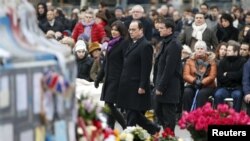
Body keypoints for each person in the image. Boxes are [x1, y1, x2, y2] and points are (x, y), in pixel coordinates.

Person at [117, 20, 160, 135]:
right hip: (128, 84)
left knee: (132, 113)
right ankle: (153, 129)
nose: (130, 32)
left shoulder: (145, 45)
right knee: (133, 113)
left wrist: (142, 85)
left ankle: (128, 135)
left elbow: (146, 68)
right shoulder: (133, 43)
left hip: (136, 85)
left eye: (133, 29)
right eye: (130, 29)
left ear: (141, 30)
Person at [94, 21, 128, 129]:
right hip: (108, 78)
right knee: (108, 105)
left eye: (116, 30)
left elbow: (126, 63)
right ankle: (110, 129)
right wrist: (98, 78)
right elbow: (106, 63)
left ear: (121, 31)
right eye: (112, 29)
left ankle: (125, 125)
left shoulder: (124, 43)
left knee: (108, 105)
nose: (113, 32)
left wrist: (124, 79)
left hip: (117, 79)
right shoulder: (111, 43)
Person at [153, 18, 182, 131]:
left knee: (168, 116)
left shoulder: (174, 44)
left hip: (169, 87)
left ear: (169, 30)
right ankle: (166, 135)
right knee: (158, 111)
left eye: (162, 28)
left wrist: (161, 87)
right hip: (161, 84)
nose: (159, 30)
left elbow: (169, 69)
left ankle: (169, 137)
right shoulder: (165, 42)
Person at [183, 40, 217, 111]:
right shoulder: (189, 60)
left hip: (207, 85)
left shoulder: (211, 61)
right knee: (187, 92)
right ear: (195, 50)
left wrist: (202, 82)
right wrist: (195, 81)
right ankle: (187, 115)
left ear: (205, 50)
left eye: (202, 49)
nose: (199, 50)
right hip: (193, 84)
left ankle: (199, 115)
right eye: (198, 49)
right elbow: (186, 75)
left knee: (201, 94)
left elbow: (212, 76)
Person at [214, 41, 246, 112]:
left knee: (237, 95)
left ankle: (235, 118)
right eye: (227, 50)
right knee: (218, 95)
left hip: (237, 88)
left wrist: (227, 74)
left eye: (229, 50)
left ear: (236, 52)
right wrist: (233, 77)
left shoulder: (243, 61)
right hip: (224, 87)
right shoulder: (223, 61)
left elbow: (240, 75)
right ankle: (220, 117)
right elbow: (220, 77)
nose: (226, 52)